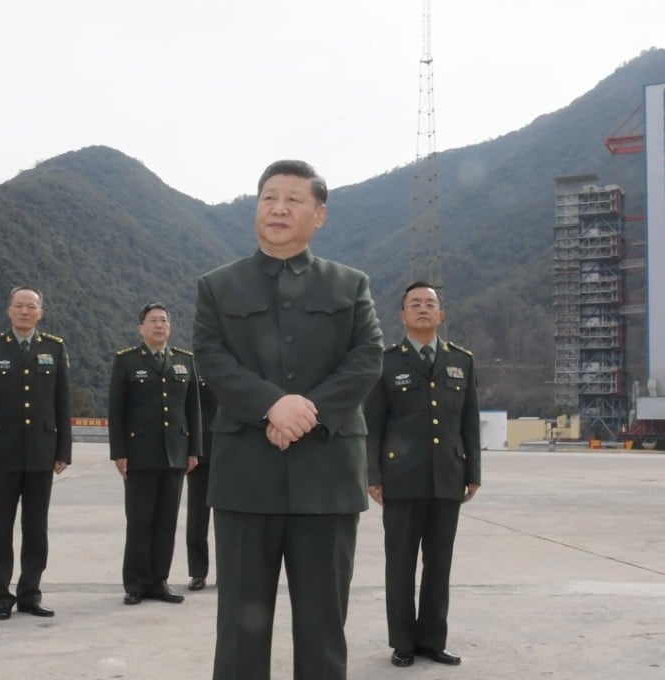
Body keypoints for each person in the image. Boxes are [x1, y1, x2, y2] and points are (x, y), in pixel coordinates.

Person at [193, 160, 384, 680]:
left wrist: (306, 413)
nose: (278, 208)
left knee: (324, 628)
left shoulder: (350, 284)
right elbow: (211, 357)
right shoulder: (218, 286)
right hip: (245, 477)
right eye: (269, 198)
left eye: (293, 200)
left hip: (326, 476)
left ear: (318, 215)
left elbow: (367, 358)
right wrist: (271, 406)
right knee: (240, 629)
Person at [363, 281, 481, 668]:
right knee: (400, 565)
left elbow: (469, 422)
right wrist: (373, 474)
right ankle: (402, 642)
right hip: (401, 479)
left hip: (448, 476)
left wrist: (473, 471)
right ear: (402, 315)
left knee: (439, 564)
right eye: (414, 304)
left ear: (441, 314)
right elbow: (373, 425)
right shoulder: (387, 362)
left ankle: (432, 640)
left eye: (430, 303)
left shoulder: (461, 361)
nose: (423, 308)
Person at [0, 285, 72, 620]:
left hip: (42, 453)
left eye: (31, 306)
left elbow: (62, 403)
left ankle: (30, 593)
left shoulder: (54, 348)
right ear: (9, 310)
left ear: (41, 312)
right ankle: (0, 597)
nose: (25, 311)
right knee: (1, 529)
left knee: (36, 529)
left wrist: (63, 450)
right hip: (3, 454)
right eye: (19, 305)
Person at [108, 302, 201, 606]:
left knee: (166, 523)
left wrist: (194, 450)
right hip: (139, 454)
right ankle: (135, 584)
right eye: (152, 320)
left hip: (175, 453)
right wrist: (119, 452)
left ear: (170, 327)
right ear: (141, 328)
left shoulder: (184, 361)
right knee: (139, 522)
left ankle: (159, 581)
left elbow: (193, 410)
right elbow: (116, 411)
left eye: (163, 320)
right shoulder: (127, 361)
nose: (159, 325)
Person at [185, 376, 215, 591]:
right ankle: (198, 572)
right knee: (197, 519)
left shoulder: (239, 365)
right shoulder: (193, 368)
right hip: (200, 454)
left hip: (231, 454)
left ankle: (228, 572)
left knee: (230, 522)